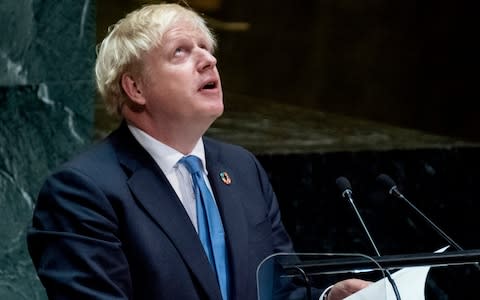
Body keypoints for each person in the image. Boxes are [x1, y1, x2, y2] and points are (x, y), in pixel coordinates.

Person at [27, 3, 368, 300]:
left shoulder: (241, 167)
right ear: (135, 87)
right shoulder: (83, 190)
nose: (209, 59)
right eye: (181, 51)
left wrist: (326, 296)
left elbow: (279, 288)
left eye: (206, 48)